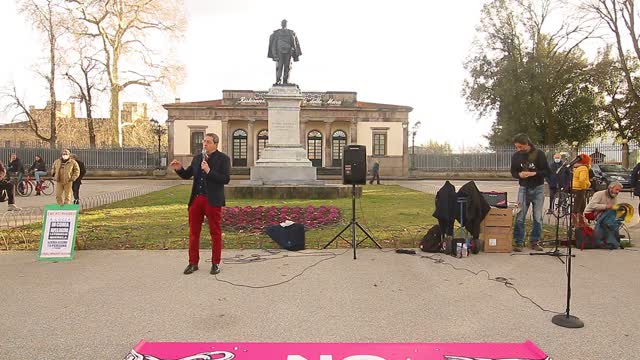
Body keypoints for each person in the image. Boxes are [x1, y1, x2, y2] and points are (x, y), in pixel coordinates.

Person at [170, 133, 231, 275]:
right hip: (196, 199)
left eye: (208, 142)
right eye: (204, 141)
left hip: (212, 200)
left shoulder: (223, 159)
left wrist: (209, 171)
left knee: (215, 232)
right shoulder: (197, 158)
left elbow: (225, 179)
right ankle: (193, 263)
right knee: (193, 233)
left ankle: (215, 263)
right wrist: (179, 169)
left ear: (215, 144)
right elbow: (187, 175)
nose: (205, 144)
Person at [510, 133, 550, 252]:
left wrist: (534, 173)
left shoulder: (539, 154)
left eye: (520, 147)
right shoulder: (516, 156)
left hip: (538, 188)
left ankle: (534, 241)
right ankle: (519, 242)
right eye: (517, 147)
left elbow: (547, 171)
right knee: (520, 216)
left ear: (527, 144)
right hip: (523, 188)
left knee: (537, 217)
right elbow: (513, 171)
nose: (519, 149)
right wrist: (519, 175)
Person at [268, 19, 302, 85]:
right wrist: (274, 54)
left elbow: (294, 43)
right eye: (283, 23)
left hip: (288, 51)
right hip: (279, 52)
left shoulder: (290, 32)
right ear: (281, 24)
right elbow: (274, 44)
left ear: (286, 24)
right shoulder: (277, 33)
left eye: (285, 23)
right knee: (279, 66)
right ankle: (278, 80)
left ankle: (285, 81)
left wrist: (295, 53)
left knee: (287, 66)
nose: (284, 24)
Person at [571, 154, 591, 227]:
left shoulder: (577, 167)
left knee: (581, 205)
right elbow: (582, 179)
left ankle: (581, 222)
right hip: (580, 188)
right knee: (578, 206)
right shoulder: (583, 168)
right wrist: (585, 186)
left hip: (575, 187)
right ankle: (576, 223)